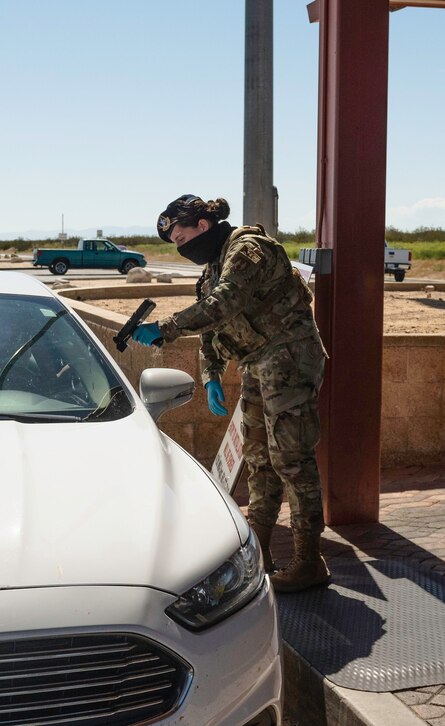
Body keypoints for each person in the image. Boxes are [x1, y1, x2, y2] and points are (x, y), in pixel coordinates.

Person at [131, 194, 329, 592]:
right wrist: (211, 375)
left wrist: (166, 328)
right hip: (258, 362)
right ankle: (262, 548)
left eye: (181, 238)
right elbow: (211, 328)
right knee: (258, 457)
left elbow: (225, 304)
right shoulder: (211, 270)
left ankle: (309, 560)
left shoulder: (247, 249)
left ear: (202, 227)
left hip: (289, 358)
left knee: (290, 459)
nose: (180, 248)